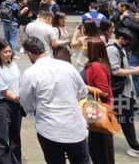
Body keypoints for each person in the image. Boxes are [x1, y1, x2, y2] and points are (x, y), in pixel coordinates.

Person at [19, 36, 89, 164]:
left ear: (30, 54)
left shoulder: (30, 73)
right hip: (75, 128)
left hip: (49, 129)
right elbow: (82, 92)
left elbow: (26, 103)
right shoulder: (67, 66)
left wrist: (31, 111)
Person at [107, 28, 139, 161]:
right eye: (127, 41)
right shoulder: (112, 49)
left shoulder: (120, 48)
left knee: (120, 119)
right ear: (121, 38)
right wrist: (134, 72)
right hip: (120, 91)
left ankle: (134, 147)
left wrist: (135, 69)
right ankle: (136, 148)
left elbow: (122, 68)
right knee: (124, 119)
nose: (128, 45)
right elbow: (115, 71)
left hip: (124, 91)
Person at [81, 38, 115, 164]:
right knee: (96, 146)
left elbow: (104, 91)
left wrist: (82, 86)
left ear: (92, 49)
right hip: (93, 109)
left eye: (85, 45)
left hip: (99, 110)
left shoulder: (96, 66)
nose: (82, 47)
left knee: (101, 148)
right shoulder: (93, 64)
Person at [0, 39, 22, 164]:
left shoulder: (14, 65)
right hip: (2, 105)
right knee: (2, 138)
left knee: (15, 137)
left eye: (9, 51)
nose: (8, 54)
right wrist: (15, 98)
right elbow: (2, 90)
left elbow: (19, 82)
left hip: (16, 105)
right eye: (5, 52)